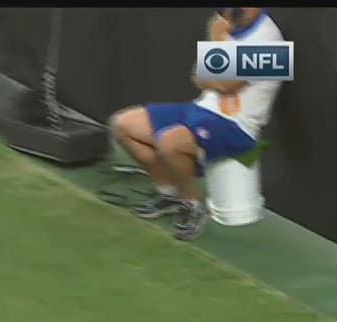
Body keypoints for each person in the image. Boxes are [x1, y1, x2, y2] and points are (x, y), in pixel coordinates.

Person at [110, 8, 285, 241]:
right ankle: (170, 193)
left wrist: (216, 37)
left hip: (238, 126)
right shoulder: (228, 28)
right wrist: (214, 74)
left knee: (171, 141)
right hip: (201, 109)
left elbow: (225, 85)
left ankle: (191, 205)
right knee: (123, 125)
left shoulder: (272, 43)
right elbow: (197, 77)